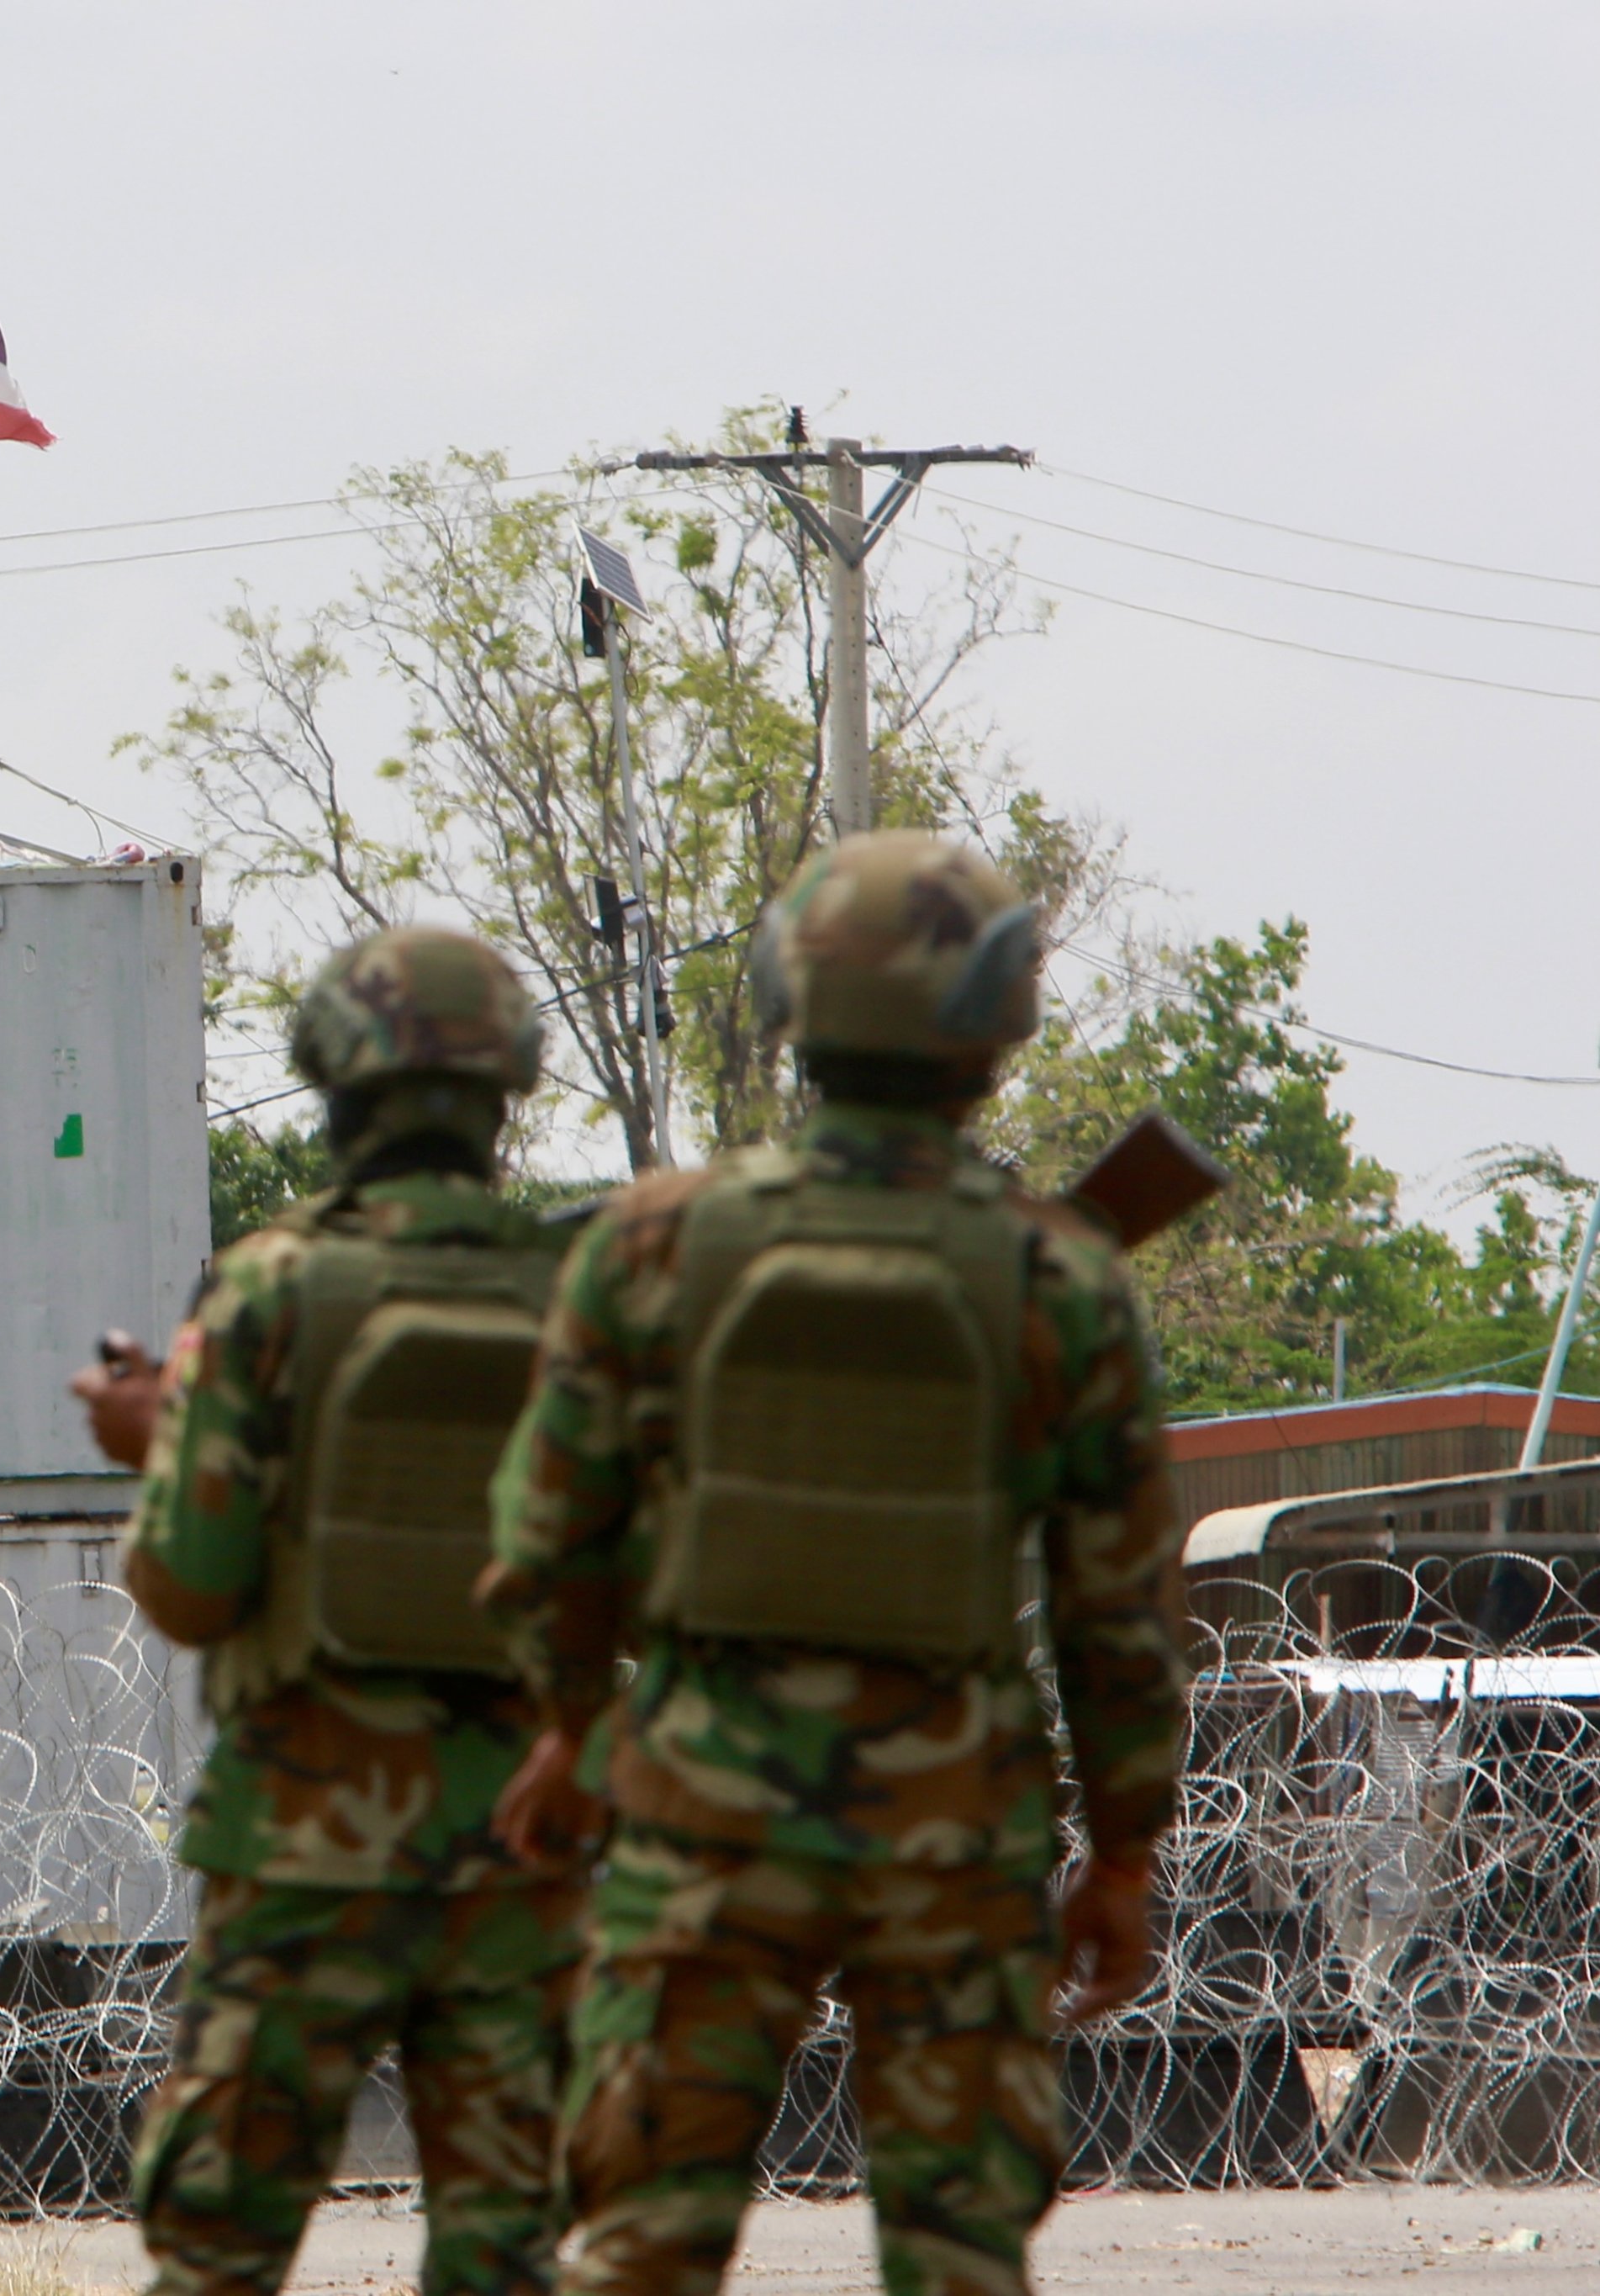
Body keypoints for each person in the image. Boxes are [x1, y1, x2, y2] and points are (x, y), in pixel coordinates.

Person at [479, 830, 1186, 2296]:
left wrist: (575, 1723)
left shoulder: (656, 1243)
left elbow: (548, 1540)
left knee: (641, 2240)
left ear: (789, 997)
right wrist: (1121, 1848)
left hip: (700, 1808)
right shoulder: (1060, 1276)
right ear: (998, 1020)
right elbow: (1116, 1614)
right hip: (954, 1819)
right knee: (959, 2247)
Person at [75, 927, 586, 2296]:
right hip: (524, 1851)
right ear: (504, 1088)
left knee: (220, 2242)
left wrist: (159, 1443)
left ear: (333, 1082)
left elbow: (191, 1584)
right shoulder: (579, 1300)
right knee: (506, 2248)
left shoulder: (273, 1289)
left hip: (305, 1841)